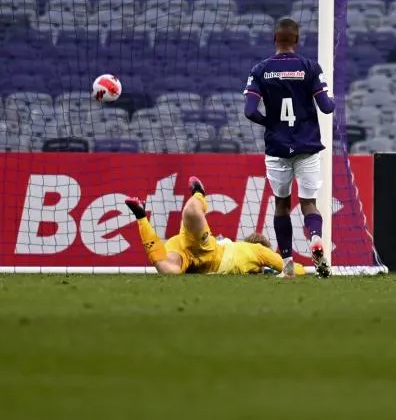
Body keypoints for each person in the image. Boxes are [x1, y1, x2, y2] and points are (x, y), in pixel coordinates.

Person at [244, 17, 335, 278]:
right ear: (297, 39)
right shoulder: (310, 67)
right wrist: (332, 100)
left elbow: (250, 111)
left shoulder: (260, 70)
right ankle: (316, 238)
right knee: (309, 203)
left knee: (282, 205)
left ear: (275, 39)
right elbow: (326, 108)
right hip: (306, 146)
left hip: (277, 149)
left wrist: (270, 123)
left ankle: (287, 266)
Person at [127, 176, 288, 275]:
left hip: (187, 255)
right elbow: (290, 267)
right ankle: (199, 193)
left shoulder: (234, 247)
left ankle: (141, 217)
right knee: (191, 212)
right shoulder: (258, 251)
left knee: (166, 268)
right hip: (205, 251)